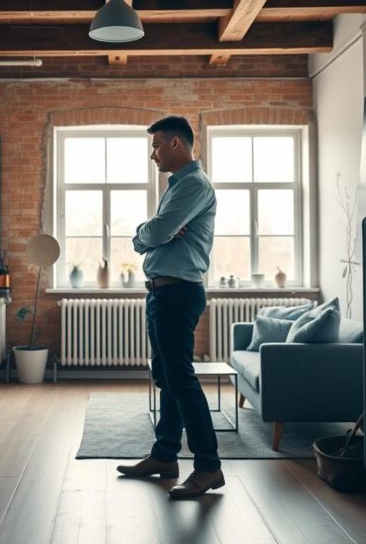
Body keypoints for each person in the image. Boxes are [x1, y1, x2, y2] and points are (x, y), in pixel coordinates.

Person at [116, 116, 223, 499]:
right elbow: (154, 232)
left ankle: (208, 466)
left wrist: (150, 233)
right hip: (162, 292)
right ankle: (165, 456)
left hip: (178, 293)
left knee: (180, 378)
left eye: (156, 145)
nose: (152, 154)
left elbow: (156, 233)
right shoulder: (179, 186)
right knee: (165, 376)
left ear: (177, 143)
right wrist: (151, 232)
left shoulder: (193, 184)